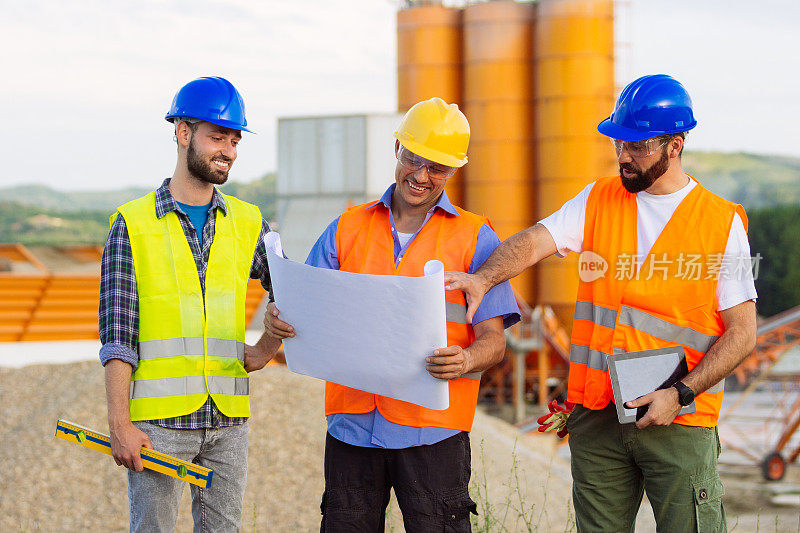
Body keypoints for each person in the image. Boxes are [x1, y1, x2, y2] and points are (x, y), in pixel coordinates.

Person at [445, 74, 758, 532]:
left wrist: (681, 393)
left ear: (676, 144)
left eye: (639, 146)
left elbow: (743, 332)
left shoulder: (721, 224)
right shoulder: (598, 198)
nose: (625, 157)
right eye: (619, 143)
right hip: (597, 419)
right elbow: (535, 242)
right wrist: (483, 277)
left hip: (679, 422)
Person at [264, 97, 520, 532]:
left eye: (436, 168)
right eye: (413, 159)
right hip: (351, 428)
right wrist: (278, 320)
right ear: (397, 148)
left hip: (433, 433)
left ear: (454, 171)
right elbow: (303, 307)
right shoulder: (347, 227)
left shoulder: (476, 238)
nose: (420, 176)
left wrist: (466, 360)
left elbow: (494, 341)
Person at [99, 76, 280, 532]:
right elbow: (118, 335)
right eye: (218, 136)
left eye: (235, 140)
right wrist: (120, 422)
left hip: (228, 419)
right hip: (159, 425)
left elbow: (291, 289)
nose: (229, 150)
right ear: (183, 134)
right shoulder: (133, 224)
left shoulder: (248, 220)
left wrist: (263, 351)